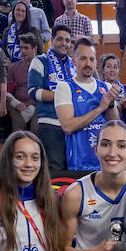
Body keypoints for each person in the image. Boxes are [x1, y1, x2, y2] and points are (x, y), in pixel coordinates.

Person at [59, 121, 126, 251]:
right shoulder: (76, 194)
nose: (112, 153)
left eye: (121, 146)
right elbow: (64, 249)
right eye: (105, 144)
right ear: (96, 150)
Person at [55, 38, 119, 171]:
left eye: (91, 59)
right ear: (74, 61)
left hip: (106, 163)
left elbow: (115, 125)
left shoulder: (106, 87)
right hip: (79, 165)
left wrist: (111, 104)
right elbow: (68, 126)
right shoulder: (64, 87)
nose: (88, 63)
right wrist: (101, 107)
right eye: (83, 58)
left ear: (96, 62)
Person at [28, 24, 75, 171]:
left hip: (72, 125)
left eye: (67, 40)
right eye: (60, 39)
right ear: (52, 39)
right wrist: (62, 96)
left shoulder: (73, 65)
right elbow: (33, 92)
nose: (64, 43)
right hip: (49, 123)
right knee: (55, 169)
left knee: (71, 168)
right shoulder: (40, 61)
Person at [100, 53, 126, 125]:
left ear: (118, 70)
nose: (112, 70)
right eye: (108, 66)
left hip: (122, 129)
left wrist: (125, 108)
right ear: (103, 69)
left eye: (115, 67)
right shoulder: (97, 89)